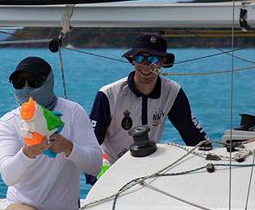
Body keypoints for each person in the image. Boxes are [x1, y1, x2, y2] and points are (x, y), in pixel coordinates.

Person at [0, 57, 102, 210]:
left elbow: (95, 165)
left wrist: (68, 147)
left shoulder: (73, 112)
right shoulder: (8, 122)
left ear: (48, 81)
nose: (26, 88)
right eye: (19, 82)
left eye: (34, 81)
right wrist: (27, 153)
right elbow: (8, 176)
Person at [89, 33, 209, 173]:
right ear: (132, 60)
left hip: (148, 171)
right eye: (140, 58)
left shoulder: (172, 91)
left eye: (153, 58)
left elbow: (195, 136)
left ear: (163, 61)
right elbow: (89, 144)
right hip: (111, 170)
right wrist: (94, 178)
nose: (146, 65)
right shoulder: (108, 94)